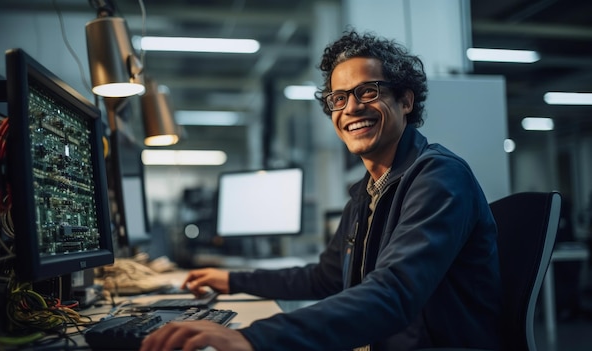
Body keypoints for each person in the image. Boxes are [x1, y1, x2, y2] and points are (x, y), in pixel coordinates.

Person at [140, 30, 502, 351]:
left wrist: (254, 337)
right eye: (338, 98)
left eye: (368, 91)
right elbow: (323, 278)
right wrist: (233, 280)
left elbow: (395, 294)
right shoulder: (367, 193)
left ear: (405, 101)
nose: (352, 108)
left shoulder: (438, 177)